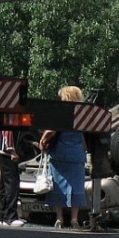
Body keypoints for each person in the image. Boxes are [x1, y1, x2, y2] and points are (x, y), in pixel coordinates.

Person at [39, 86, 87, 230]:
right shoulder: (82, 113)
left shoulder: (61, 112)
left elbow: (51, 131)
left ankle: (59, 219)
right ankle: (74, 219)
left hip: (60, 153)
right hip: (77, 154)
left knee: (58, 186)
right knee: (76, 186)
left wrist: (42, 141)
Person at [0, 130, 25, 227]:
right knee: (12, 183)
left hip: (2, 149)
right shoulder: (11, 115)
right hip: (7, 151)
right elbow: (8, 130)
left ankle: (3, 216)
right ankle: (10, 217)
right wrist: (12, 150)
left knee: (4, 184)